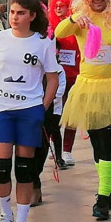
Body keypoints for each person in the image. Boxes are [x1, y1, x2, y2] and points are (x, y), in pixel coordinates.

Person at [0, 0, 60, 222]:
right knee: (1, 167)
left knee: (25, 169)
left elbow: (53, 78)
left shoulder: (42, 42)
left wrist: (43, 107)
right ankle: (6, 214)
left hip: (29, 110)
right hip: (1, 109)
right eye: (12, 13)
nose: (14, 18)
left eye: (20, 13)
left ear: (32, 16)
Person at [55, 0, 111, 221]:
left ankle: (103, 197)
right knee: (96, 142)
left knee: (107, 141)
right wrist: (74, 18)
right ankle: (110, 191)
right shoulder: (82, 19)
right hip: (88, 87)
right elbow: (60, 32)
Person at [32, 65, 67, 206]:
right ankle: (32, 183)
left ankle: (35, 182)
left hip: (48, 108)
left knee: (43, 143)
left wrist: (45, 103)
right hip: (24, 105)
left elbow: (58, 89)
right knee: (25, 148)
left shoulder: (56, 68)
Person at [52, 0, 80, 166]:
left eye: (62, 5)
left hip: (75, 75)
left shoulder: (77, 26)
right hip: (56, 76)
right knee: (54, 113)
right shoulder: (50, 28)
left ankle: (67, 150)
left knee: (72, 114)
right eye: (56, 6)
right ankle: (54, 145)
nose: (58, 8)